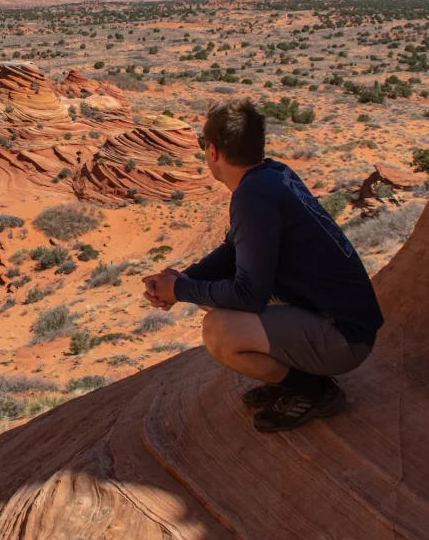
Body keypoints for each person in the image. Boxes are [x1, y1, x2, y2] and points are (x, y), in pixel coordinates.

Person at [143, 97, 383, 433]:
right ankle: (298, 376)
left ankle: (313, 390)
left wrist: (179, 289)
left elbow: (248, 296)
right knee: (205, 296)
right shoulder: (273, 175)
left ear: (212, 151)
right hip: (342, 320)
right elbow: (233, 250)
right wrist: (183, 279)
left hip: (344, 338)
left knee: (219, 331)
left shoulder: (253, 197)